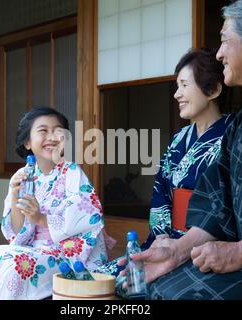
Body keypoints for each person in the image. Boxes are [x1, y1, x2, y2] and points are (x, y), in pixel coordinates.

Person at [119, 0, 242, 300]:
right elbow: (216, 196)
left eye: (224, 40)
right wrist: (176, 249)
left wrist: (241, 251)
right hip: (220, 245)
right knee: (146, 288)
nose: (219, 52)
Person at [96, 48, 234, 289]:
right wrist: (161, 236)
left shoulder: (235, 134)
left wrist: (180, 246)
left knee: (148, 289)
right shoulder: (180, 138)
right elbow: (161, 190)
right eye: (176, 86)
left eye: (183, 85)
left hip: (206, 246)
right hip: (166, 240)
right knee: (106, 277)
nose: (176, 94)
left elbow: (228, 201)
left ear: (213, 90)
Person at [0, 107, 115, 300]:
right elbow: (17, 233)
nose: (52, 137)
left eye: (58, 131)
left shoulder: (72, 172)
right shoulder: (24, 176)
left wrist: (40, 219)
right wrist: (15, 196)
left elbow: (87, 216)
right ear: (27, 142)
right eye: (43, 131)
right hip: (36, 249)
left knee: (12, 265)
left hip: (71, 255)